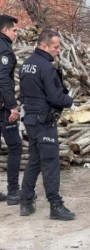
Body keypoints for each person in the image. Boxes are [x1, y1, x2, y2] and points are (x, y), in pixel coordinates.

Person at [19, 29, 75, 220]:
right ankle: (56, 206)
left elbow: (24, 95)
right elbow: (55, 97)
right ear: (44, 46)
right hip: (44, 121)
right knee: (50, 162)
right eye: (55, 47)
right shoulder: (47, 68)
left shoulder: (26, 64)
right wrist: (70, 101)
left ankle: (26, 202)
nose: (58, 50)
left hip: (30, 121)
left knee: (35, 159)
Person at [0, 15, 23, 205]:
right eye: (14, 30)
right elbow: (3, 81)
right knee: (15, 146)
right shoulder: (5, 50)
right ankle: (14, 191)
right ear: (5, 30)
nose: (17, 34)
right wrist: (12, 107)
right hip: (2, 108)